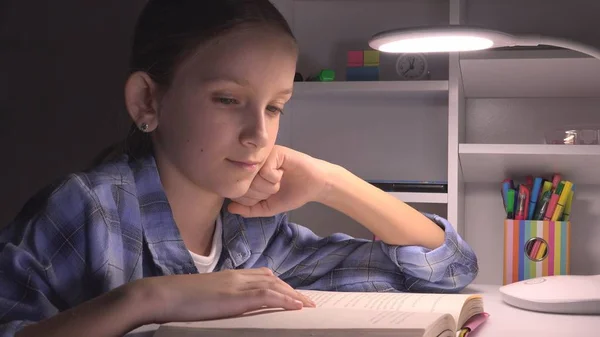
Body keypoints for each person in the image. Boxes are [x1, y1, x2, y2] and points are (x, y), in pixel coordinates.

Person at [0, 1, 479, 336]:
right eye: (229, 100)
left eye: (275, 108)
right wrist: (148, 299)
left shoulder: (258, 237)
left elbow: (446, 267)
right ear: (147, 100)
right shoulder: (86, 211)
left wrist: (331, 182)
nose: (259, 135)